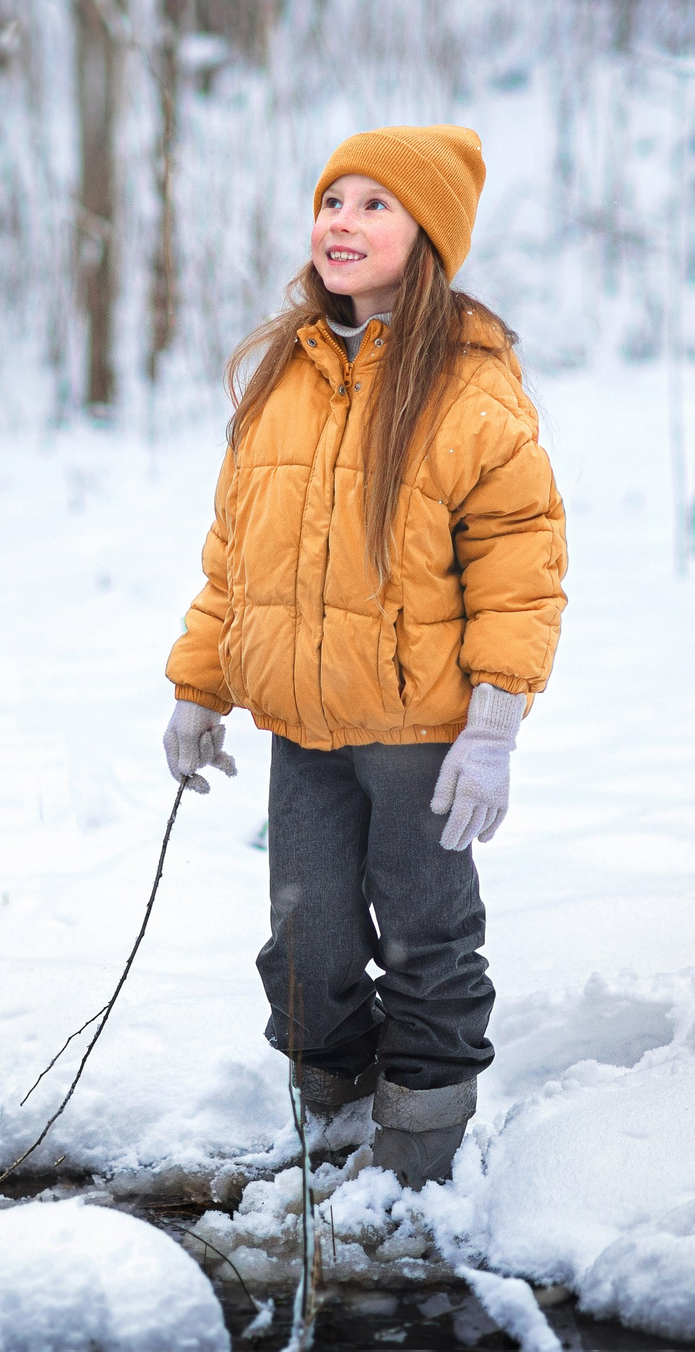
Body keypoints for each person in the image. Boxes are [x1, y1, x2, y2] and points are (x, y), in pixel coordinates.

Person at [161, 124, 568, 1189]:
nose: (341, 221)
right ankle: (332, 1125)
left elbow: (521, 563)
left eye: (373, 204)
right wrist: (198, 687)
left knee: (429, 939)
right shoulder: (282, 375)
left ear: (426, 234)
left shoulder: (468, 385)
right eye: (331, 200)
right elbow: (233, 557)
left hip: (419, 731)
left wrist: (493, 725)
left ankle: (416, 1160)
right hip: (302, 725)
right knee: (306, 946)